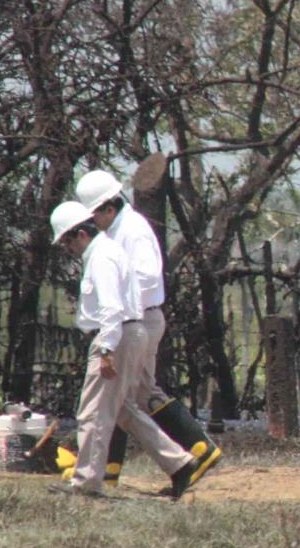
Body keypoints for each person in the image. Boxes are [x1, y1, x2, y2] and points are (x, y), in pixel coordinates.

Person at [75, 170, 222, 484]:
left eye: (95, 215)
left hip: (139, 317)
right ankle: (187, 456)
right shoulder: (118, 230)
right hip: (133, 319)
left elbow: (147, 277)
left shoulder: (132, 230)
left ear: (108, 208)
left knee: (126, 396)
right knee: (135, 394)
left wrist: (120, 315)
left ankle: (188, 455)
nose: (93, 223)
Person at [47, 200, 199, 498]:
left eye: (66, 241)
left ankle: (86, 482)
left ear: (80, 234)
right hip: (128, 333)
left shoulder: (101, 257)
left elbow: (112, 308)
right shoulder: (108, 250)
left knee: (93, 412)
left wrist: (105, 350)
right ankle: (179, 463)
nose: (67, 249)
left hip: (118, 336)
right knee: (122, 410)